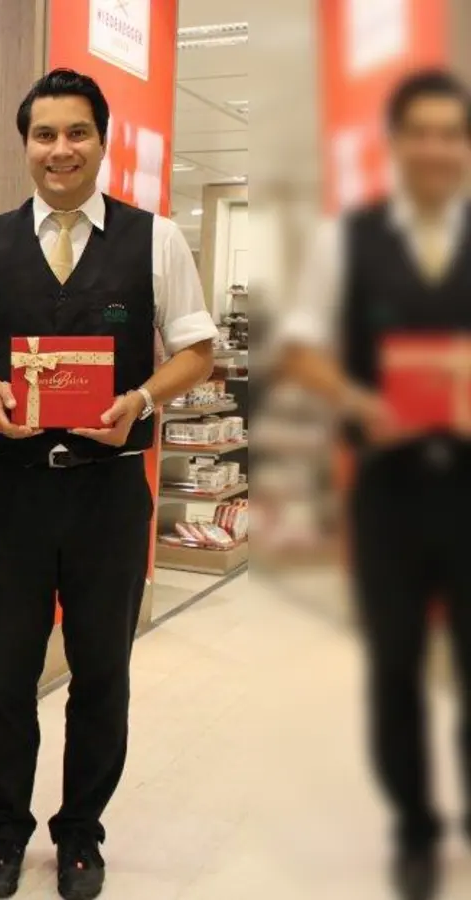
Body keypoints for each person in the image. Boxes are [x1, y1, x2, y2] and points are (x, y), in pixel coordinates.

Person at [0, 69, 216, 900]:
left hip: (109, 488)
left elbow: (197, 349)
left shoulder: (154, 238)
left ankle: (81, 834)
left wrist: (139, 398)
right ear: (25, 144)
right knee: (8, 671)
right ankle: (3, 831)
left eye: (76, 133)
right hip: (13, 492)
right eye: (44, 134)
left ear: (101, 140)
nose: (60, 149)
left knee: (101, 672)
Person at [275, 69, 471, 900]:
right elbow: (302, 348)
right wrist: (360, 400)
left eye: (450, 133)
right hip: (387, 493)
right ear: (395, 145)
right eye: (418, 132)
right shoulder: (345, 240)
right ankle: (417, 830)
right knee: (394, 667)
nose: (434, 148)